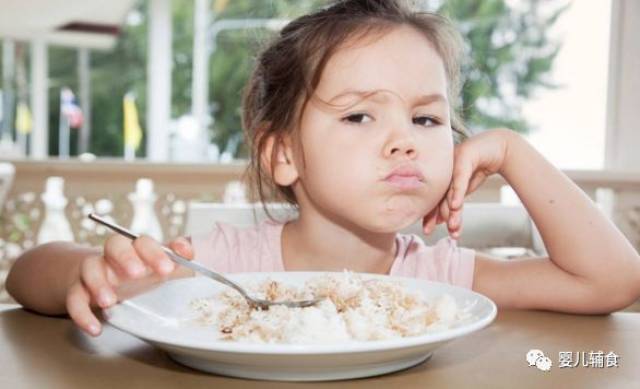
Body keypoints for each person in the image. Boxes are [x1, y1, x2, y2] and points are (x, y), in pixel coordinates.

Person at [7, 0, 640, 337]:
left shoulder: (443, 278)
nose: (404, 142)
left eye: (426, 119)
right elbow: (26, 276)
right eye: (360, 116)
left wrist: (513, 151)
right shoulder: (223, 267)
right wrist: (85, 272)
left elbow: (611, 283)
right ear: (283, 154)